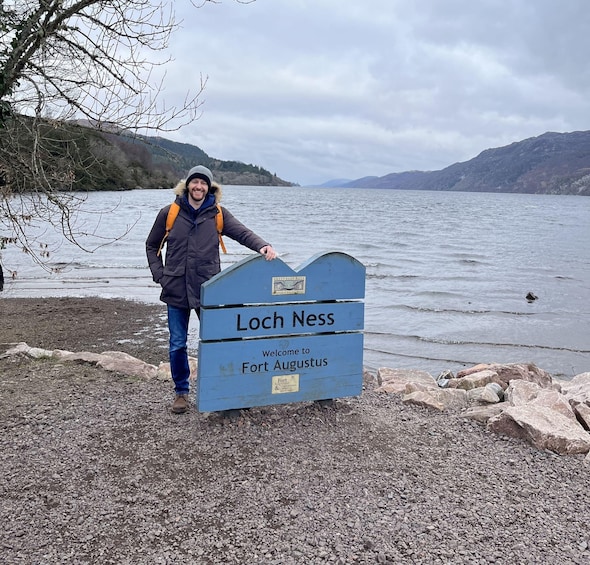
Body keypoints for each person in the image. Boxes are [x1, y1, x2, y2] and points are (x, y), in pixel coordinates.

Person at [146, 165, 277, 414]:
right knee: (177, 343)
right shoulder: (169, 213)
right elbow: (152, 246)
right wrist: (159, 274)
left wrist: (263, 246)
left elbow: (243, 233)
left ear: (210, 187)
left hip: (208, 288)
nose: (199, 187)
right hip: (175, 287)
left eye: (203, 183)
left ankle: (223, 390)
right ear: (187, 185)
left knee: (219, 341)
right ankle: (181, 392)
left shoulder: (218, 214)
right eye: (195, 182)